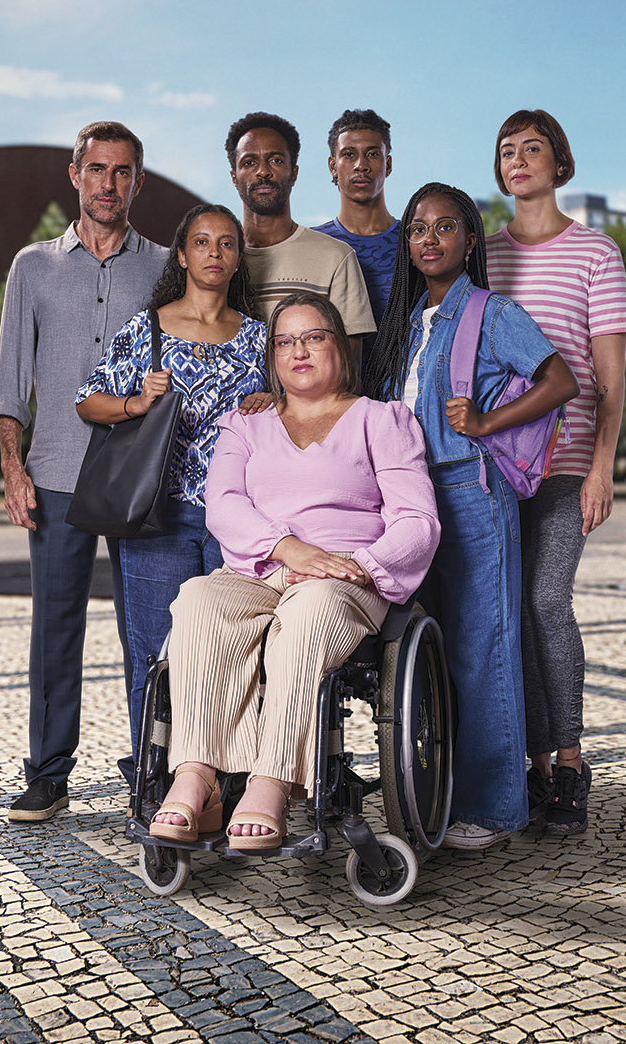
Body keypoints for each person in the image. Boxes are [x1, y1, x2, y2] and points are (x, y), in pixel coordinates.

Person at [149, 294, 440, 849]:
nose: (298, 351)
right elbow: (224, 504)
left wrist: (361, 565)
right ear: (272, 357)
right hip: (263, 567)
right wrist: (287, 548)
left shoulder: (381, 420)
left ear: (341, 347)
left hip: (345, 576)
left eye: (314, 337)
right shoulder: (245, 424)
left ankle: (273, 780)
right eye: (284, 341)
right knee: (197, 602)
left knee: (309, 613)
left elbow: (418, 520)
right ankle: (198, 776)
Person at [362, 182, 578, 851]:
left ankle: (492, 804)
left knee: (481, 649)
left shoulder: (491, 310)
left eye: (445, 227)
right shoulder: (403, 323)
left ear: (470, 239)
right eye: (418, 229)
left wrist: (485, 420)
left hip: (470, 491)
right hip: (406, 502)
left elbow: (560, 379)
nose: (429, 239)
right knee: (417, 652)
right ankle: (432, 790)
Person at [0, 121, 167, 823]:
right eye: (97, 169)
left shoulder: (163, 267)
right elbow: (11, 382)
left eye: (123, 172)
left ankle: (149, 769)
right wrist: (13, 463)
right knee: (55, 628)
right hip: (57, 470)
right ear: (75, 175)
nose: (109, 184)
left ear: (137, 182)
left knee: (148, 630)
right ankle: (48, 772)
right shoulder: (31, 267)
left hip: (140, 474)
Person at [482, 109, 626, 835]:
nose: (518, 160)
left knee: (546, 601)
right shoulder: (485, 254)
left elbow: (608, 379)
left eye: (532, 148)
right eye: (507, 151)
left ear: (559, 162)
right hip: (493, 467)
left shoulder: (596, 254)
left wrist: (603, 466)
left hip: (567, 465)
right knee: (505, 611)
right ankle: (534, 765)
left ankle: (570, 761)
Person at [75, 203, 268, 775]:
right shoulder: (148, 328)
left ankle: (223, 777)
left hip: (238, 519)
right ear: (181, 255)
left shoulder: (260, 339)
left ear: (238, 259)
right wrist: (136, 402)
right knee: (156, 651)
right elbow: (88, 400)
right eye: (203, 243)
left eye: (227, 244)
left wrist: (272, 404)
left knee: (235, 655)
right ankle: (152, 773)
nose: (215, 253)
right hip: (159, 515)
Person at [226, 112, 376, 352]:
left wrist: (283, 393)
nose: (263, 171)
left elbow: (349, 371)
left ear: (294, 173)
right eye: (249, 162)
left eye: (275, 160)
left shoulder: (336, 258)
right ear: (234, 177)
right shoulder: (216, 263)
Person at [313, 109, 400, 335]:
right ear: (333, 166)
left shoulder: (415, 242)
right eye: (349, 155)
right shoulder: (313, 244)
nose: (361, 165)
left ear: (387, 164)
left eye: (372, 154)